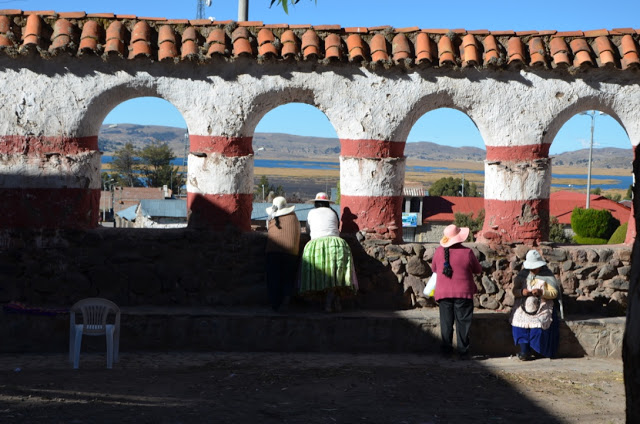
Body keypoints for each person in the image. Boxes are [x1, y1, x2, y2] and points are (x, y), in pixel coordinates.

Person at [299, 192, 357, 312]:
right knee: (335, 276)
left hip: (317, 245)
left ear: (316, 203)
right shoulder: (333, 213)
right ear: (327, 203)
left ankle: (327, 303)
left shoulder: (311, 213)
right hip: (337, 244)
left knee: (323, 274)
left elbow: (308, 230)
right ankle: (334, 300)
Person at [431, 224, 482, 358]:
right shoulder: (468, 252)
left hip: (443, 293)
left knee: (446, 323)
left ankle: (446, 351)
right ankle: (463, 352)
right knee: (463, 323)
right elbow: (478, 269)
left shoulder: (438, 251)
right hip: (464, 293)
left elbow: (434, 269)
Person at [510, 249, 564, 361]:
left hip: (542, 305)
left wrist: (542, 293)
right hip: (524, 306)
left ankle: (538, 350)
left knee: (538, 324)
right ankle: (524, 351)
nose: (533, 270)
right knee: (518, 323)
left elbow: (554, 293)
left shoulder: (547, 275)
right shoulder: (523, 275)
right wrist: (521, 292)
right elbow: (515, 290)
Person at [265, 196, 300, 312]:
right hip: (291, 252)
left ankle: (274, 304)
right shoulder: (293, 217)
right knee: (288, 278)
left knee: (273, 277)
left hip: (273, 251)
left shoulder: (271, 218)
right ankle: (286, 302)